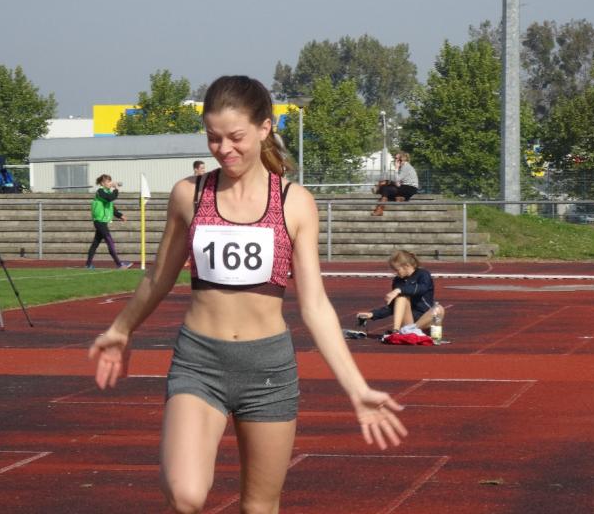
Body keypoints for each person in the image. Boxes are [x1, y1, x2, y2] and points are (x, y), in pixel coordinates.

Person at [88, 75, 406, 514]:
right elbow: (158, 277)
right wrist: (121, 329)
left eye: (235, 137)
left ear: (264, 128)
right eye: (213, 138)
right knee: (184, 495)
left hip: (268, 370)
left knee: (259, 506)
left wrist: (356, 388)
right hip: (199, 363)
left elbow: (314, 305)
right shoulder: (189, 194)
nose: (223, 149)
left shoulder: (294, 202)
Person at [355, 250, 445, 335]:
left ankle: (413, 329)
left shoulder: (423, 274)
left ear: (406, 266)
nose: (395, 273)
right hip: (409, 320)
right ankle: (396, 331)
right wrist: (372, 314)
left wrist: (399, 290)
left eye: (397, 270)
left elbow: (423, 288)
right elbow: (393, 307)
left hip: (425, 318)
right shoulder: (397, 281)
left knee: (439, 309)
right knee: (401, 297)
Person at [85, 174, 132, 270]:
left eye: (110, 181)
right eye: (108, 181)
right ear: (102, 183)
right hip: (99, 222)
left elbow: (111, 208)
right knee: (110, 241)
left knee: (95, 243)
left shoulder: (107, 192)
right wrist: (116, 189)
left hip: (102, 222)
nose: (110, 183)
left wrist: (120, 215)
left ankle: (88, 264)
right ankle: (119, 264)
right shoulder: (100, 192)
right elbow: (110, 198)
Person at [372, 152, 419, 216]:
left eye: (396, 158)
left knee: (386, 189)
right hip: (406, 187)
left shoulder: (405, 167)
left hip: (409, 188)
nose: (395, 160)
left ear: (401, 159)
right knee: (386, 186)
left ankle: (380, 209)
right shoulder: (403, 166)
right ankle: (401, 198)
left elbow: (397, 180)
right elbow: (398, 183)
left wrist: (396, 169)